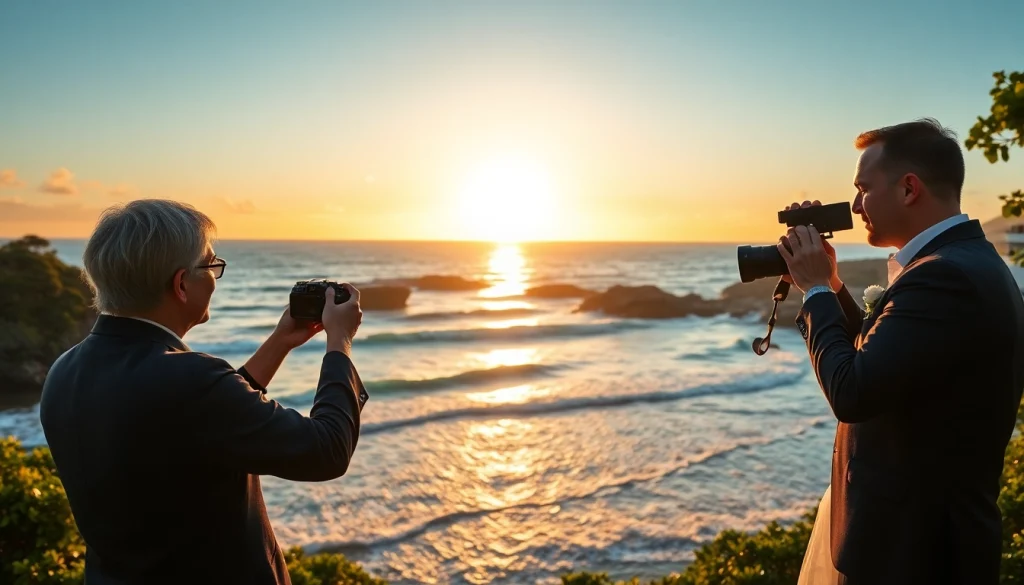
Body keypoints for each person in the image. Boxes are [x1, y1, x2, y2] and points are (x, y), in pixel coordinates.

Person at [39, 199, 368, 585]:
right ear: (181, 284)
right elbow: (326, 450)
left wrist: (280, 341)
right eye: (212, 265)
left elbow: (203, 422)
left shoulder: (65, 370)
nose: (216, 276)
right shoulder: (189, 379)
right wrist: (339, 343)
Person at [780, 118, 1024, 584]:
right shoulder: (964, 262)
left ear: (909, 188)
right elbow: (885, 362)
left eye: (863, 188)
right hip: (918, 547)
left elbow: (853, 391)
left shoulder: (942, 276)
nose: (854, 205)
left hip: (915, 557)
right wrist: (829, 283)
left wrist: (813, 292)